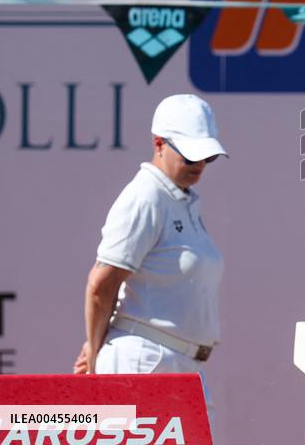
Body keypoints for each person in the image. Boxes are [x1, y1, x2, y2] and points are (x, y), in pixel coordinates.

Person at [74, 94, 228, 420]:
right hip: (146, 363)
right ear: (159, 144)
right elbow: (102, 283)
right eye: (190, 156)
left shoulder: (179, 199)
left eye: (207, 157)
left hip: (174, 366)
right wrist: (95, 352)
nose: (199, 165)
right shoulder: (146, 196)